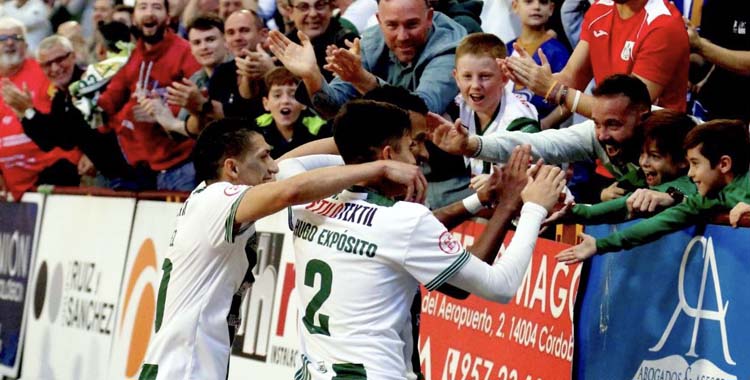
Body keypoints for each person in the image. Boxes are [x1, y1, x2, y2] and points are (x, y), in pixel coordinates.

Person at [290, 99, 564, 379]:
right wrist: (532, 207)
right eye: (411, 146)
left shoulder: (306, 201)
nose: (421, 155)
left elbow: (288, 163)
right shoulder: (404, 220)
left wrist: (480, 199)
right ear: (387, 155)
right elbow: (500, 287)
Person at [138, 117, 426, 380]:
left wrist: (363, 141)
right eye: (264, 156)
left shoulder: (210, 195)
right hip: (185, 370)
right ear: (233, 168)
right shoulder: (218, 200)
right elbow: (291, 190)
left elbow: (292, 165)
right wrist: (380, 166)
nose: (274, 166)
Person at [431, 74, 652, 201]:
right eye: (597, 123)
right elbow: (536, 145)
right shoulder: (593, 135)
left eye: (613, 125)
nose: (602, 135)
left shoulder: (681, 135)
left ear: (643, 117)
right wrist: (472, 144)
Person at [556, 119, 750, 264]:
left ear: (724, 164)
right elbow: (659, 224)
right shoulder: (705, 199)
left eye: (695, 164)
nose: (690, 174)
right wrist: (599, 244)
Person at [268, 0, 466, 118]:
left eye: (412, 24)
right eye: (392, 25)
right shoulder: (372, 40)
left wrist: (363, 79)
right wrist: (312, 77)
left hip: (443, 169)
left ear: (430, 17)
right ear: (379, 21)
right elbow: (333, 108)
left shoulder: (449, 44)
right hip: (385, 157)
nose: (402, 36)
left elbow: (423, 111)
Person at [504, 0, 689, 120]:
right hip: (608, 144)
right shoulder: (600, 8)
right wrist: (533, 78)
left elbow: (626, 111)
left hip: (657, 154)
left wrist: (556, 90)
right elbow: (571, 78)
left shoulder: (664, 24)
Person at [95, 0, 202, 191]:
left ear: (168, 16)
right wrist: (88, 99)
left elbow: (199, 102)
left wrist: (164, 114)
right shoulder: (132, 55)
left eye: (157, 7)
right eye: (143, 7)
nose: (149, 13)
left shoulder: (185, 52)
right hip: (141, 167)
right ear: (134, 17)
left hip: (183, 164)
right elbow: (111, 98)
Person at [555, 109, 696, 225]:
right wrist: (603, 196)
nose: (644, 162)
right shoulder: (641, 175)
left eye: (654, 156)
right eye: (642, 153)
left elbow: (626, 203)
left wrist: (577, 212)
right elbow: (624, 195)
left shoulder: (687, 184)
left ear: (683, 161)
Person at [0, 18, 81, 200]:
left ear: (27, 45)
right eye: (3, 38)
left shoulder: (47, 69)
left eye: (17, 37)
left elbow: (73, 113)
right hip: (13, 186)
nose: (10, 42)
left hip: (55, 174)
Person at [451, 33, 540, 176]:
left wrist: (495, 184)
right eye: (467, 76)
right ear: (456, 77)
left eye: (485, 76)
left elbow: (530, 179)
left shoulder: (519, 118)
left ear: (504, 78)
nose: (475, 85)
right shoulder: (456, 105)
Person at [139, 14, 229, 137]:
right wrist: (164, 116)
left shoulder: (241, 71)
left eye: (210, 40)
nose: (204, 47)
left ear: (226, 41)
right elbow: (183, 133)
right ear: (191, 49)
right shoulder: (195, 80)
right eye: (197, 42)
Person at [506, 0, 570, 128]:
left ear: (551, 9)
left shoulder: (558, 52)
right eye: (529, 1)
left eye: (543, 2)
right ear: (515, 6)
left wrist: (545, 124)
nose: (536, 7)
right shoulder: (506, 49)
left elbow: (568, 98)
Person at [686, 1, 750, 122]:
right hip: (716, 106)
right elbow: (706, 57)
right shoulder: (716, 5)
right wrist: (682, 44)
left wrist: (700, 46)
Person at [254, 67, 330, 158]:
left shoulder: (321, 128)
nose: (285, 101)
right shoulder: (255, 128)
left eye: (293, 95)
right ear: (266, 103)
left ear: (304, 103)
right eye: (277, 95)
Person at [285, 0, 358, 81]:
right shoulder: (284, 44)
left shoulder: (347, 43)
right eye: (304, 7)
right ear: (290, 12)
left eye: (320, 5)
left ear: (330, 8)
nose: (313, 14)